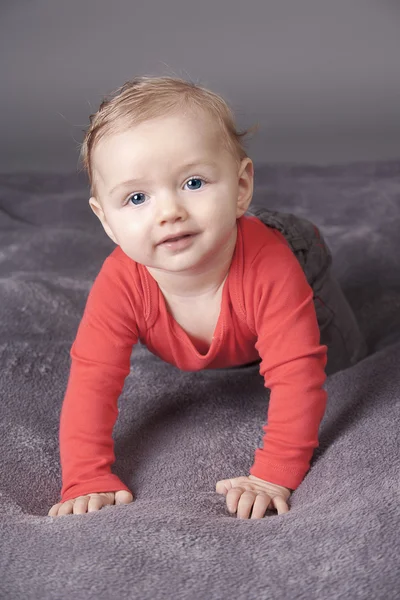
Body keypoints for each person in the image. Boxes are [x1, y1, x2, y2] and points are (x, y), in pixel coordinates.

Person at [48, 76, 367, 520]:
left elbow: (297, 377)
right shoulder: (120, 284)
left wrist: (273, 473)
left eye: (193, 182)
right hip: (231, 274)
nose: (169, 211)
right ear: (106, 220)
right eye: (137, 197)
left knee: (344, 361)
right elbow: (91, 384)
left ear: (240, 188)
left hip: (293, 259)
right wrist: (85, 476)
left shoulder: (273, 268)